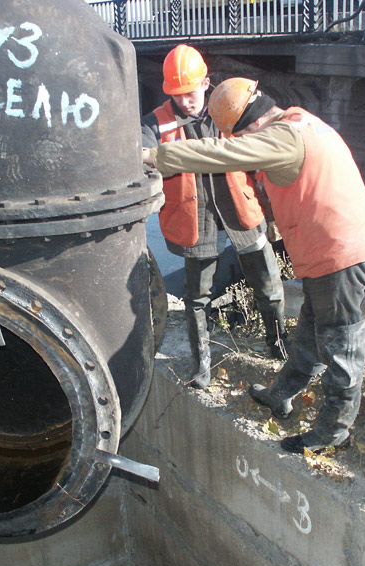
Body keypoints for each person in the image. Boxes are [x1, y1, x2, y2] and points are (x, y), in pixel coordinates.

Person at [143, 77, 365, 454]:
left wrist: (156, 156)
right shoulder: (299, 120)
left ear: (250, 126)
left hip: (339, 253)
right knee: (311, 325)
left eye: (238, 136)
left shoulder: (280, 139)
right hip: (337, 246)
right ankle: (281, 393)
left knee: (341, 343)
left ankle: (333, 432)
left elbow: (218, 155)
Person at [141, 46, 287, 390]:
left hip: (241, 209)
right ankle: (201, 362)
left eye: (191, 93)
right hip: (194, 218)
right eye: (177, 95)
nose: (186, 102)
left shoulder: (232, 109)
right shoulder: (154, 123)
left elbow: (265, 151)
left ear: (207, 83)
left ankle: (278, 346)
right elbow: (141, 156)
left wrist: (274, 210)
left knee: (268, 283)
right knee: (198, 294)